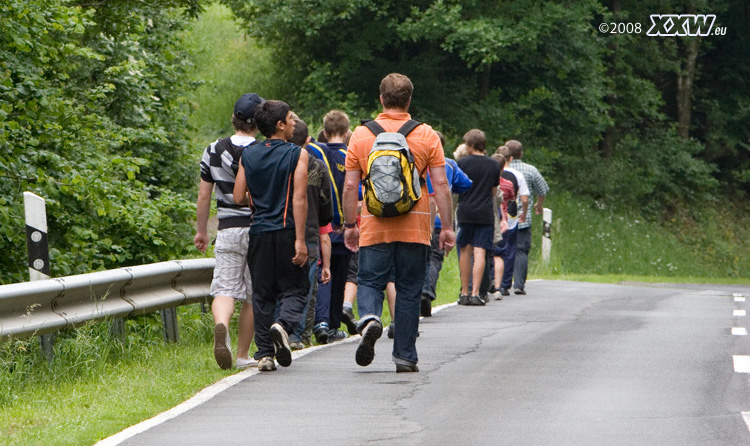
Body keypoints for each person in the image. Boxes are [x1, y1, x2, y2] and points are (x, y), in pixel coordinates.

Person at [343, 73, 456, 373]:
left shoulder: (361, 135)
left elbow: (349, 186)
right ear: (409, 100)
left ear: (381, 99)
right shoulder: (426, 135)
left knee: (369, 280)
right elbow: (441, 185)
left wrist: (349, 224)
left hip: (374, 223)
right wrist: (447, 227)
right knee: (408, 289)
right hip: (415, 226)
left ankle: (369, 318)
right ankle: (405, 355)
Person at [233, 100, 309, 372]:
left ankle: (265, 354)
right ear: (279, 124)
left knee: (262, 294)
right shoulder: (296, 154)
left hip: (259, 233)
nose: (294, 123)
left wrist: (259, 200)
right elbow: (299, 198)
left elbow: (238, 195)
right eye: (290, 119)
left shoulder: (249, 154)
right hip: (287, 230)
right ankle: (284, 325)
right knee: (297, 288)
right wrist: (300, 240)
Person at [195, 93, 263, 370]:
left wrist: (201, 231)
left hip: (227, 229)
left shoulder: (212, 150)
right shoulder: (262, 150)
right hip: (257, 229)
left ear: (233, 118)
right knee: (252, 294)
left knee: (224, 289)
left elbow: (203, 196)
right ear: (258, 123)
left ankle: (221, 325)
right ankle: (243, 355)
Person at [308, 110, 355, 342]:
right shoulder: (352, 156)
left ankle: (320, 321)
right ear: (347, 133)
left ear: (324, 132)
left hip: (322, 228)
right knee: (340, 276)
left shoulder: (317, 155)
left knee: (322, 274)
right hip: (346, 229)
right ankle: (334, 323)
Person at [287, 118, 333, 349]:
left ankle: (281, 327)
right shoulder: (317, 166)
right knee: (307, 288)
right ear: (308, 140)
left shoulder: (280, 162)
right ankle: (300, 336)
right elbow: (327, 205)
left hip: (282, 231)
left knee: (282, 285)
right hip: (311, 234)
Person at [420, 132, 473, 316]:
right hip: (440, 220)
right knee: (435, 257)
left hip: (418, 218)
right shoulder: (449, 163)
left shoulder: (418, 161)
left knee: (419, 258)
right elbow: (466, 184)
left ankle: (417, 292)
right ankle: (426, 292)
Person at [455, 129, 500, 306]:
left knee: (465, 250)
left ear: (471, 145)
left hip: (466, 210)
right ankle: (476, 293)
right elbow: (494, 192)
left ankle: (464, 292)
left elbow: (457, 187)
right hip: (484, 212)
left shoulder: (462, 163)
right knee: (480, 251)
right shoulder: (494, 164)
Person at [506, 140, 549, 295]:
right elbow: (543, 189)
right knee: (521, 251)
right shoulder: (531, 170)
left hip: (504, 218)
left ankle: (500, 283)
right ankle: (518, 285)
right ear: (521, 154)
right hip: (523, 219)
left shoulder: (501, 169)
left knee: (502, 250)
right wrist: (539, 204)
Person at [493, 145, 529, 296]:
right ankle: (505, 283)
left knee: (493, 249)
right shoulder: (517, 175)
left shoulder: (492, 173)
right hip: (510, 216)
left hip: (493, 215)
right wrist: (524, 213)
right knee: (510, 249)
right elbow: (524, 198)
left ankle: (492, 281)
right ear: (510, 159)